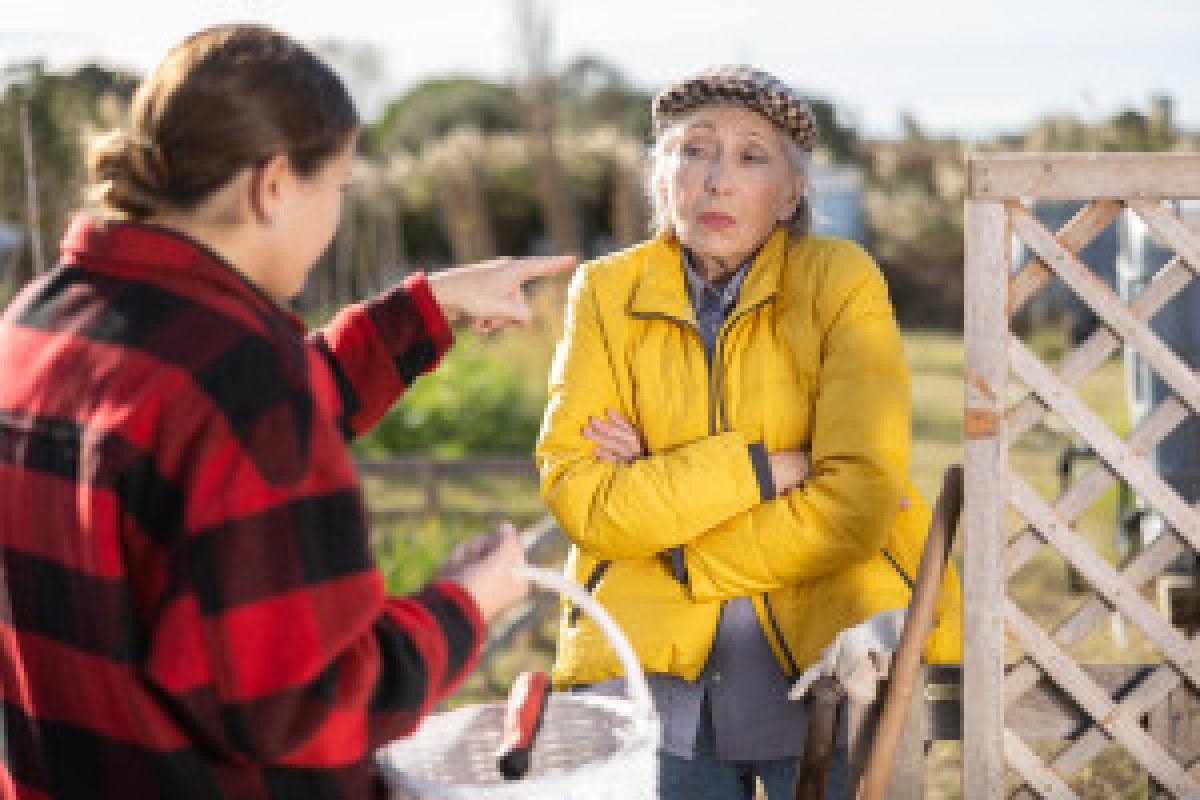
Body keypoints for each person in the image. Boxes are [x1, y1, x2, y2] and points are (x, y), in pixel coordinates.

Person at [0, 24, 573, 800]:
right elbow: (311, 709)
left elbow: (200, 438)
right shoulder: (245, 379)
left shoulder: (34, 325)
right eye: (336, 188)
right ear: (272, 186)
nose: (336, 213)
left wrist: (429, 305)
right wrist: (464, 607)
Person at [535, 65, 962, 799]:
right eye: (694, 151)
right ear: (659, 174)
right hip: (652, 682)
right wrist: (767, 471)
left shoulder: (840, 280)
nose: (716, 182)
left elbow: (856, 499)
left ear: (792, 194)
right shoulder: (606, 291)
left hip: (830, 659)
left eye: (751, 157)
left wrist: (677, 541)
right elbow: (583, 500)